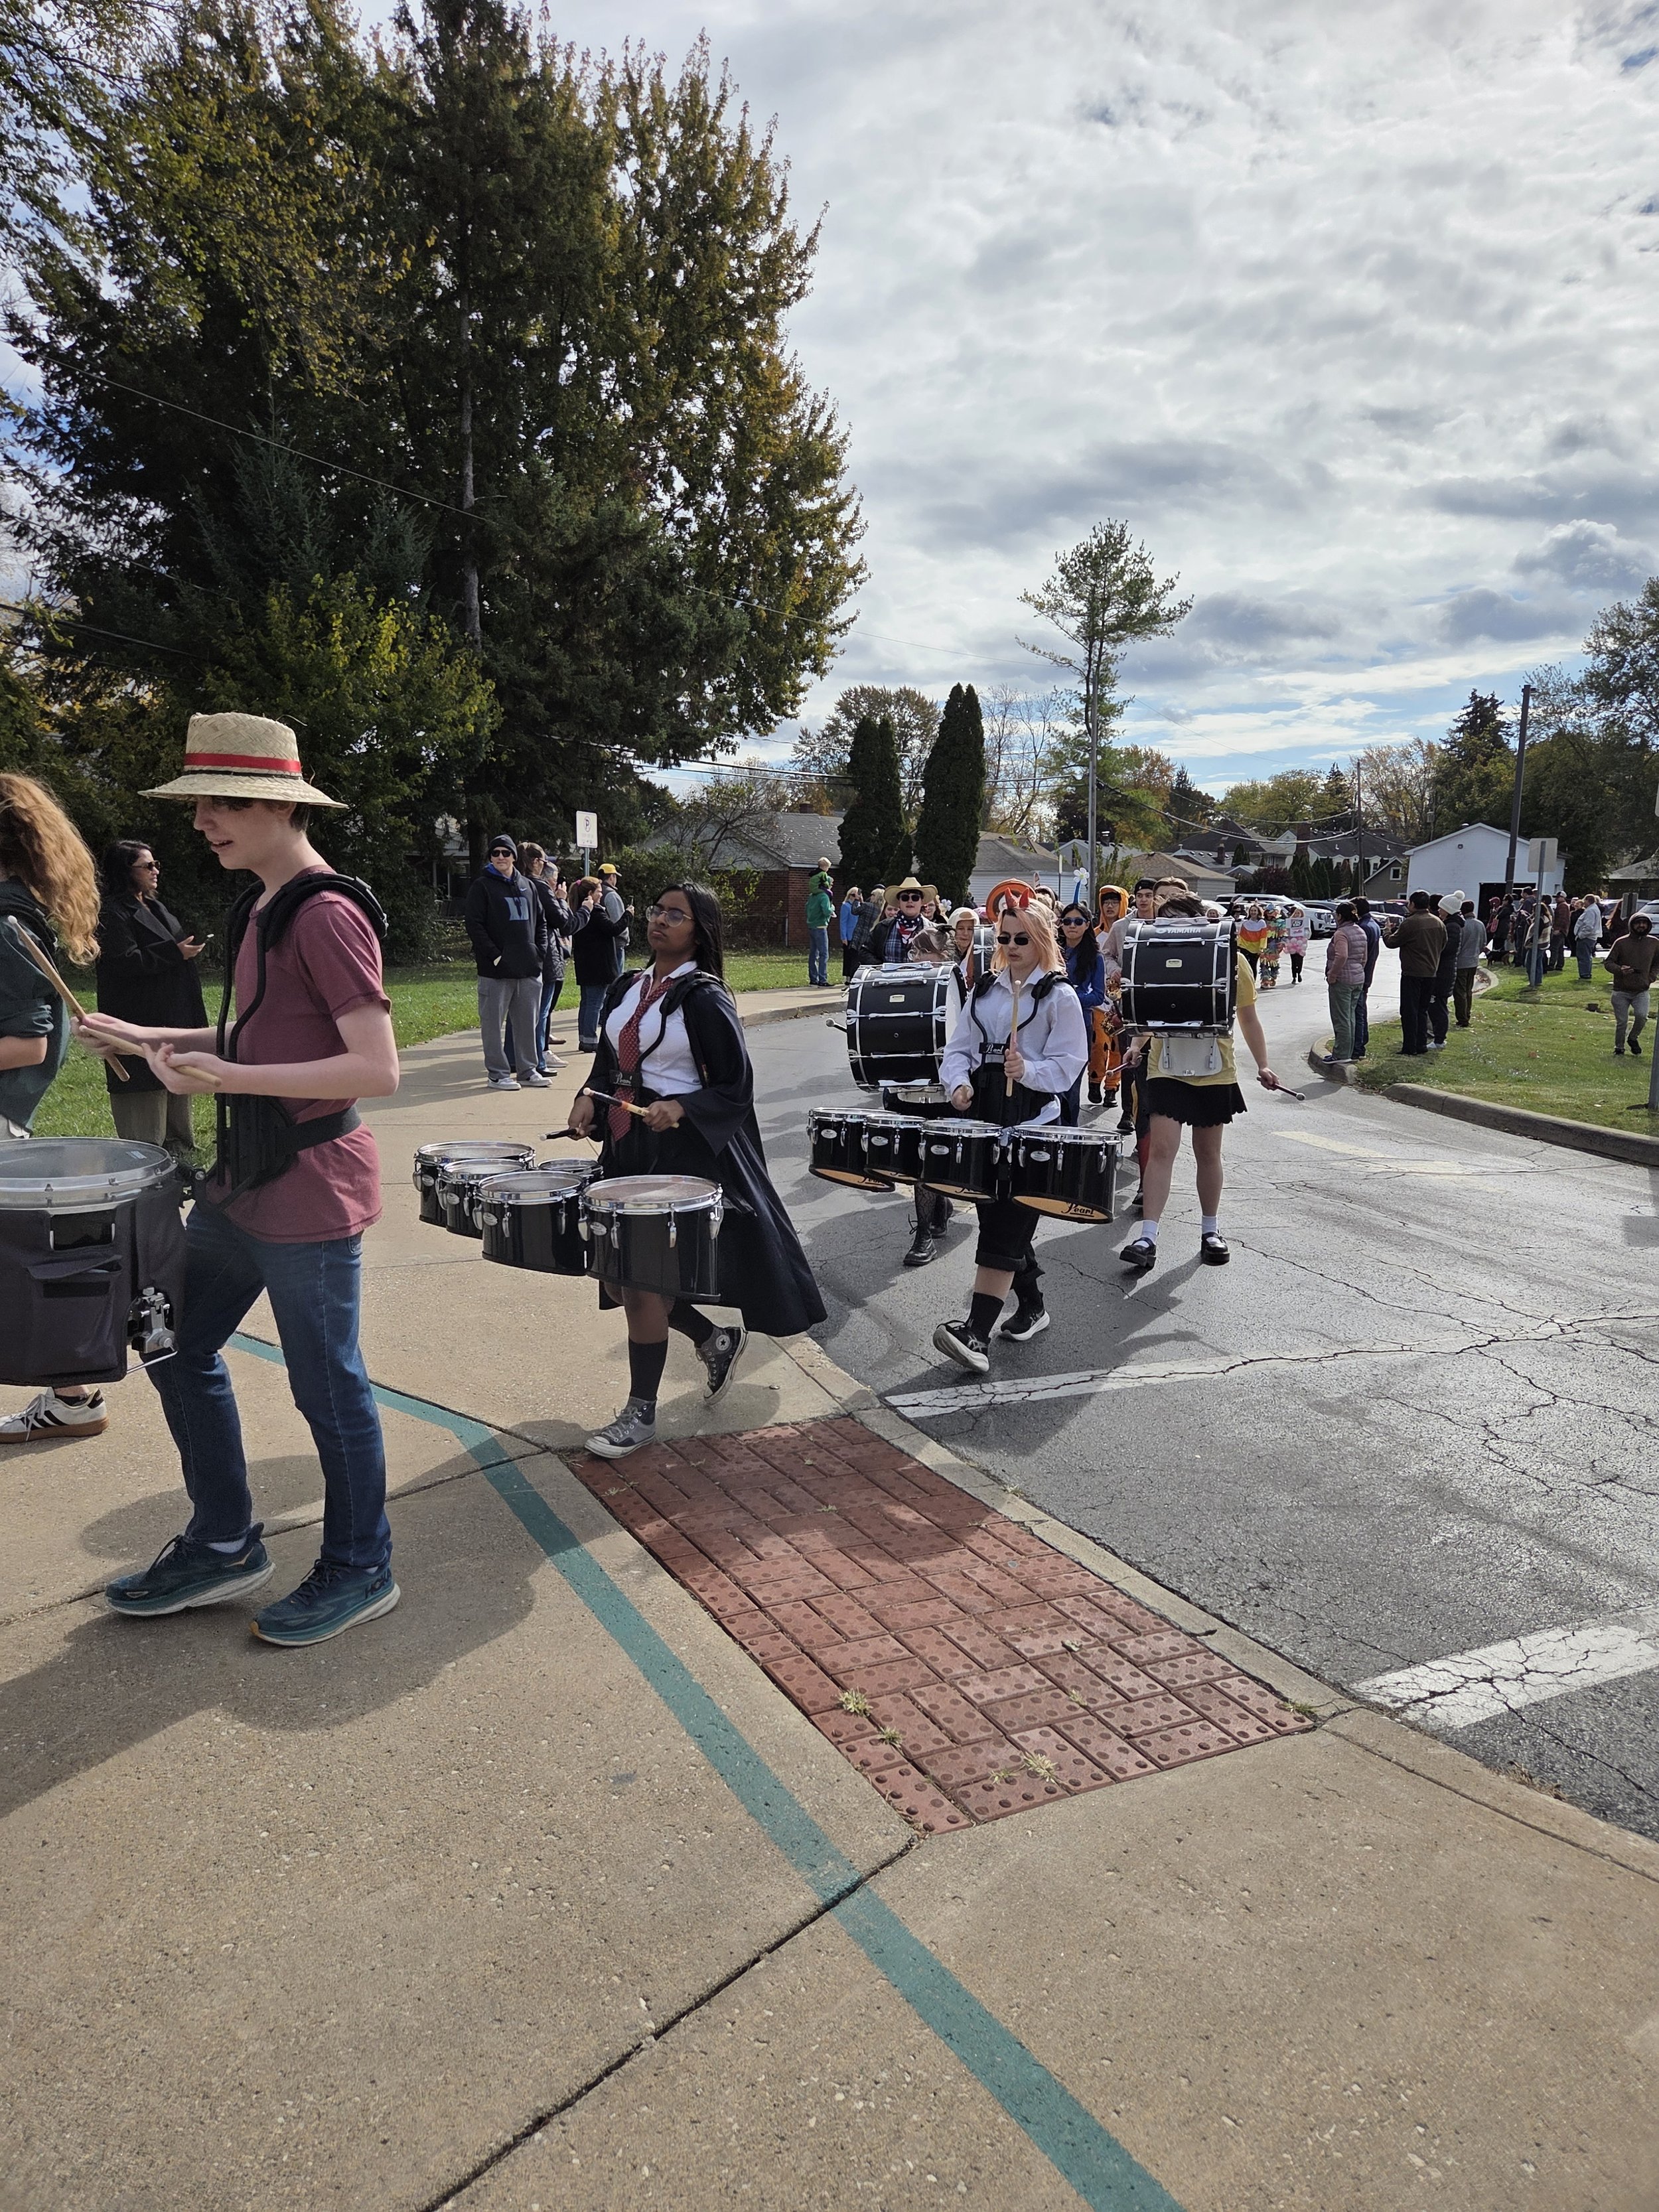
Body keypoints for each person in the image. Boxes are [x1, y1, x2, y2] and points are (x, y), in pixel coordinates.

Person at [78, 712, 401, 1645]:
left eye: (218, 803)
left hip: (312, 1185)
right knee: (166, 1331)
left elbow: (375, 1067)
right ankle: (224, 1541)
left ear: (275, 804)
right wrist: (152, 1039)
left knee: (327, 1388)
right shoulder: (259, 905)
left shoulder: (326, 912)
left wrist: (236, 1078)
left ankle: (361, 1562)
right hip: (243, 1180)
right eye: (198, 804)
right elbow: (259, 1038)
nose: (199, 822)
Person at [566, 882, 826, 1457]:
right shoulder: (628, 986)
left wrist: (684, 1105)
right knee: (617, 1275)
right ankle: (714, 1339)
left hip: (682, 1154)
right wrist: (590, 1094)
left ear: (698, 930)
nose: (660, 920)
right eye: (656, 909)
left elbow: (738, 1085)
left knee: (639, 1284)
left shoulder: (706, 998)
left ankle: (640, 1413)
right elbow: (610, 1061)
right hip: (627, 1145)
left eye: (676, 915)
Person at [0, 773, 111, 1444]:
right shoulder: (16, 911)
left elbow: (27, 1042)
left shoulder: (5, 915)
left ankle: (74, 1397)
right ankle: (73, 1397)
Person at [930, 900, 1087, 1372]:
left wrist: (1029, 1069)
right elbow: (958, 1048)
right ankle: (1033, 1304)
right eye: (1004, 938)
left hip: (1034, 1123)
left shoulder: (1060, 996)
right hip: (984, 1117)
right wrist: (957, 1083)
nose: (1012, 946)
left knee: (1006, 1220)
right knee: (997, 1216)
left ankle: (976, 1334)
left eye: (1022, 938)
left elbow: (1070, 1064)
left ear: (1041, 940)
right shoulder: (984, 991)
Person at [1118, 895, 1280, 1274]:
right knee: (1162, 1151)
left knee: (1209, 1154)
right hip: (1166, 1065)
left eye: (1180, 920)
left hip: (1215, 1068)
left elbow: (1249, 1019)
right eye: (1165, 919)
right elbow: (1149, 1008)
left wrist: (1264, 1065)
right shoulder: (1151, 956)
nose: (1172, 927)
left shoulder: (1232, 961)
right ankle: (1148, 1237)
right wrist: (1137, 1045)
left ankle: (1210, 1231)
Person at [95, 838, 208, 1159]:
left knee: (175, 1074)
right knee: (144, 1083)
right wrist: (175, 953)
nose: (156, 871)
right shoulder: (112, 913)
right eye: (148, 866)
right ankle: (147, 1152)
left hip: (172, 1010)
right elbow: (124, 962)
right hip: (138, 1013)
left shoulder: (155, 906)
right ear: (125, 871)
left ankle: (180, 1148)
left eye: (156, 864)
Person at [465, 834, 549, 1092]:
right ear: (490, 857)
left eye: (506, 853)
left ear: (514, 856)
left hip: (528, 969)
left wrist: (540, 952)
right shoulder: (482, 887)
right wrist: (494, 955)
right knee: (492, 1025)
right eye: (495, 853)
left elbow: (542, 922)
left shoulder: (528, 886)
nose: (501, 857)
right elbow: (475, 926)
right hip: (495, 972)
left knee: (527, 1023)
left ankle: (527, 1069)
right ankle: (498, 1074)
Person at [514, 844, 569, 1076]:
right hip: (543, 955)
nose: (546, 867)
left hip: (524, 954)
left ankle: (522, 1060)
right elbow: (562, 921)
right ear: (536, 862)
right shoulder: (539, 887)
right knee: (540, 1012)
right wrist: (563, 900)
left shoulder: (517, 884)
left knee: (527, 1013)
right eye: (545, 862)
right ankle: (537, 1061)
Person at [1057, 902, 1106, 1120]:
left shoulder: (1096, 958)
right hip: (1050, 1022)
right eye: (1067, 921)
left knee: (1072, 1084)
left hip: (1079, 1023)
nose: (1072, 926)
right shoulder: (1051, 951)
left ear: (1087, 925)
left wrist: (1069, 997)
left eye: (1078, 921)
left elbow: (1098, 996)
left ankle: (1069, 1130)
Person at [571, 875, 630, 1050]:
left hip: (586, 964)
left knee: (587, 1002)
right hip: (598, 965)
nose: (601, 893)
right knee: (595, 1004)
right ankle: (589, 1039)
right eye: (599, 890)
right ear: (590, 893)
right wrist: (627, 915)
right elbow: (614, 929)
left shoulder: (581, 911)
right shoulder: (596, 913)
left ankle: (584, 1037)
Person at [1386, 891, 1447, 1057]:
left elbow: (1392, 942)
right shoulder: (1438, 923)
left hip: (1412, 973)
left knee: (1409, 1011)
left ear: (1413, 904)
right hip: (1431, 973)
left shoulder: (1410, 923)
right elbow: (1443, 944)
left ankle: (1410, 1047)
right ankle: (1421, 1044)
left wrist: (1387, 931)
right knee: (1422, 1010)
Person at [1605, 911, 1659, 1056]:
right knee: (1622, 1022)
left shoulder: (1654, 943)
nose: (1641, 926)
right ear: (1632, 925)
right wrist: (1620, 970)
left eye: (1645, 923)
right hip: (1621, 990)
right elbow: (1608, 963)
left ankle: (1633, 1038)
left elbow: (1657, 963)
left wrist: (1651, 977)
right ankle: (1619, 1048)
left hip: (1641, 989)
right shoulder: (1621, 942)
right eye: (1638, 923)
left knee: (1642, 1017)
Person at [1323, 900, 1367, 1065]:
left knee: (1341, 1018)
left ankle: (1341, 1054)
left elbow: (1342, 956)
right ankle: (1349, 1051)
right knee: (1351, 1017)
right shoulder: (1360, 931)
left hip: (1342, 980)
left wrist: (1333, 974)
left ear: (1340, 916)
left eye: (1336, 914)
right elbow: (1364, 958)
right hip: (1357, 978)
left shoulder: (1341, 934)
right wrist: (1358, 970)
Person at [1427, 894, 1463, 1049]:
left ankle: (1439, 1040)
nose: (1439, 911)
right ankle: (1438, 1038)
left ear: (1448, 910)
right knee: (1437, 1006)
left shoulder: (1452, 927)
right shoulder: (1450, 924)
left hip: (1443, 973)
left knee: (1438, 1007)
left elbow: (1447, 949)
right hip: (1443, 971)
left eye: (1442, 909)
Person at [875, 877, 931, 964]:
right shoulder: (883, 927)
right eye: (905, 898)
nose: (910, 901)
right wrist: (880, 967)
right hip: (889, 978)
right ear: (899, 902)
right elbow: (865, 951)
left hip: (921, 978)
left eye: (915, 898)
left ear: (922, 901)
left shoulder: (933, 930)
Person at [1352, 896, 1382, 1058]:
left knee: (1358, 1011)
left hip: (1361, 974)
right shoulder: (1373, 924)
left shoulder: (1363, 927)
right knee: (1361, 1009)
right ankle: (1361, 1041)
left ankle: (1358, 1047)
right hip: (1367, 972)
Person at [1453, 899, 1484, 1026]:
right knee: (1468, 990)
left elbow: (1458, 945)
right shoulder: (1480, 924)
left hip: (1461, 962)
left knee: (1459, 991)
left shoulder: (1462, 925)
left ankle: (1462, 1018)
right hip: (1474, 961)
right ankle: (1467, 1014)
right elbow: (1483, 943)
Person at [806, 859, 835, 987]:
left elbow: (806, 908)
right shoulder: (824, 896)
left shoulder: (812, 896)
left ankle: (813, 979)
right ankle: (823, 980)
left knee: (813, 953)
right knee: (824, 954)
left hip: (811, 925)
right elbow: (827, 910)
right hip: (821, 926)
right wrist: (833, 908)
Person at [598, 863, 628, 978]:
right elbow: (618, 921)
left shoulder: (598, 892)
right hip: (616, 944)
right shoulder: (612, 895)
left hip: (601, 944)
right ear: (611, 877)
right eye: (615, 877)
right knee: (617, 980)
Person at [1573, 895, 1604, 983]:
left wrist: (1581, 935)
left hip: (1587, 937)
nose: (1583, 903)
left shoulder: (1591, 911)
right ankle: (1586, 973)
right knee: (1587, 956)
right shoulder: (1593, 909)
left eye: (1585, 901)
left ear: (1588, 901)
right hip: (1590, 937)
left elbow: (1589, 926)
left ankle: (1585, 974)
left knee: (1584, 956)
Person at [1236, 902, 1269, 975]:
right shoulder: (1245, 923)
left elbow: (1263, 937)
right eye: (1252, 911)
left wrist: (1261, 948)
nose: (1253, 912)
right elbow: (1242, 936)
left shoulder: (1262, 923)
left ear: (1258, 912)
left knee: (1253, 966)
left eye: (1255, 911)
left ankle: (1253, 982)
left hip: (1256, 948)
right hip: (1245, 947)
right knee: (1245, 966)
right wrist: (1239, 946)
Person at [839, 883, 864, 980]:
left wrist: (861, 901)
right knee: (849, 957)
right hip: (849, 936)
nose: (855, 897)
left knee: (857, 958)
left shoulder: (860, 906)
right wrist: (843, 937)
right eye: (853, 895)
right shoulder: (846, 906)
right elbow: (843, 922)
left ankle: (856, 976)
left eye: (857, 895)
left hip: (859, 936)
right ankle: (848, 977)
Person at [1283, 903, 1311, 984]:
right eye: (1296, 913)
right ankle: (1294, 976)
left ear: (1302, 914)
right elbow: (1287, 932)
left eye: (1299, 913)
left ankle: (1299, 973)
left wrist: (1304, 935)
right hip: (1292, 944)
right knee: (1293, 961)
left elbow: (1308, 932)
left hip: (1301, 944)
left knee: (1300, 960)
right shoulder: (1289, 921)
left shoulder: (1305, 922)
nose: (1297, 915)